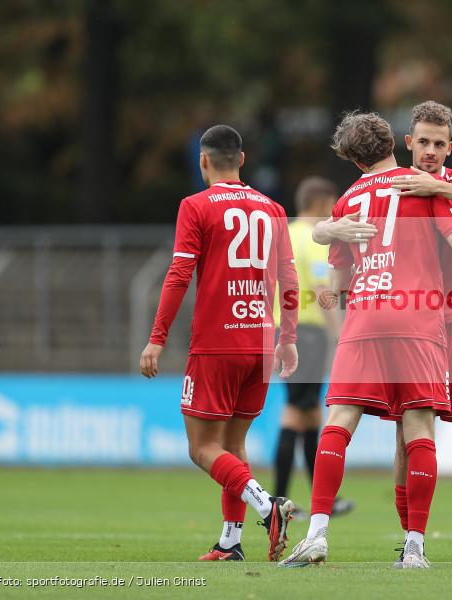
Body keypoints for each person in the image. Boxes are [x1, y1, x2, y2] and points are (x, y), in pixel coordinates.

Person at [281, 111, 452, 569]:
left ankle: (317, 534)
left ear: (354, 160)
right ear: (396, 144)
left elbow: (334, 286)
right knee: (418, 427)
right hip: (419, 317)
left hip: (363, 317)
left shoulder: (347, 200)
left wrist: (328, 232)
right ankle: (415, 547)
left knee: (338, 422)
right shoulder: (420, 184)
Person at [139, 124, 299, 562]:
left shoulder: (195, 206)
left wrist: (156, 339)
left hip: (217, 343)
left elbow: (178, 275)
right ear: (243, 160)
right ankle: (230, 541)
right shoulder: (273, 208)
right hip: (261, 343)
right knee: (234, 444)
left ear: (203, 161)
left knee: (202, 447)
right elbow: (289, 277)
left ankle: (268, 507)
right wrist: (288, 338)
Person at [272, 176, 351, 517]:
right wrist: (341, 333)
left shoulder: (284, 234)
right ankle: (278, 501)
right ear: (320, 204)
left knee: (309, 413)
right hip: (307, 331)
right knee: (296, 413)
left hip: (283, 328)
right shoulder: (313, 238)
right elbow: (323, 290)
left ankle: (318, 500)